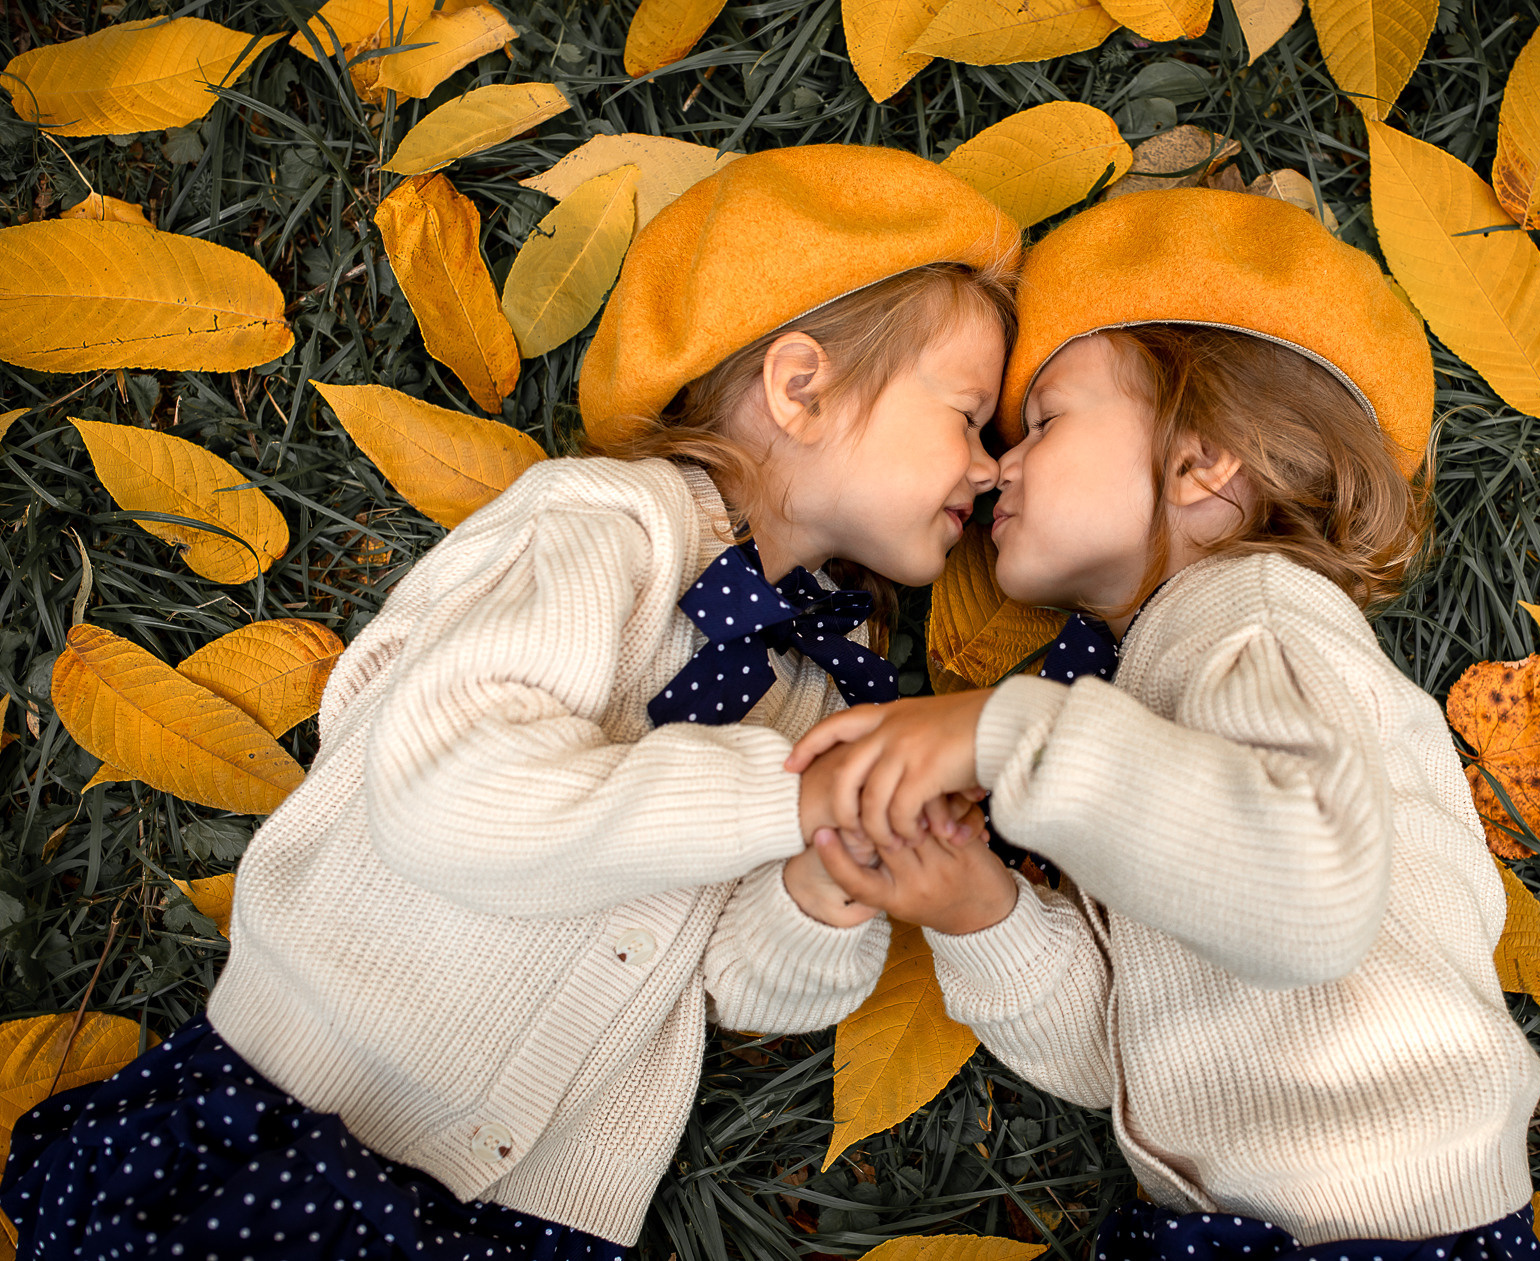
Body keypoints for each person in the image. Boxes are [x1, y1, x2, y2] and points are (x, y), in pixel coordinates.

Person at [1, 144, 1020, 1261]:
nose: (988, 469)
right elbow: (453, 793)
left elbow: (726, 980)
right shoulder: (599, 530)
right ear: (801, 385)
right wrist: (802, 791)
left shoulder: (814, 679)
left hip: (539, 1209)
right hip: (310, 1106)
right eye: (969, 418)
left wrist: (829, 876)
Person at [790, 188, 1540, 1261]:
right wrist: (987, 916)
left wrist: (999, 732)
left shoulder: (1259, 617)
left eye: (1045, 422)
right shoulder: (1154, 688)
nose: (999, 463)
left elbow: (1307, 897)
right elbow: (1144, 1051)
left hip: (1378, 1216)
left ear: (1203, 461)